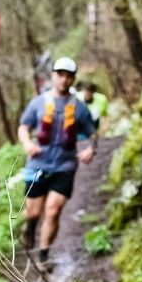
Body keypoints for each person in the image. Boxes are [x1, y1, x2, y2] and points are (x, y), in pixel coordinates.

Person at [17, 57, 96, 268]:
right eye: (60, 75)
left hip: (65, 166)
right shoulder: (38, 103)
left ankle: (44, 255)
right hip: (37, 164)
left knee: (53, 210)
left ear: (73, 80)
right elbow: (23, 126)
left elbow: (91, 132)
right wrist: (26, 143)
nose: (64, 80)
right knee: (33, 211)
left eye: (69, 76)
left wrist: (90, 148)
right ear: (53, 76)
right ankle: (30, 226)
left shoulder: (79, 107)